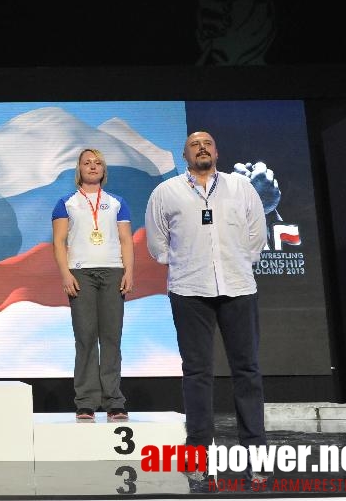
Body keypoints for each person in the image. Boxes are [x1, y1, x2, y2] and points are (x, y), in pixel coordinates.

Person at [145, 131, 268, 481]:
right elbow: (157, 244)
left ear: (217, 151)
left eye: (208, 143)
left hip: (238, 287)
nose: (202, 148)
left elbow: (256, 235)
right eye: (195, 144)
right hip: (189, 290)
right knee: (197, 374)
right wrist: (184, 264)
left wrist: (241, 262)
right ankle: (198, 458)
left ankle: (256, 456)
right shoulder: (166, 192)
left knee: (247, 372)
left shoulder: (241, 187)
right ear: (184, 154)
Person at [52, 148, 133, 423]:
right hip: (81, 274)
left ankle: (114, 401)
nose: (93, 166)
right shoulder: (66, 203)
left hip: (113, 272)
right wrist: (65, 274)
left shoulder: (118, 202)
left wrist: (129, 271)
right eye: (87, 163)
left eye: (98, 162)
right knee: (86, 338)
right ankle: (86, 402)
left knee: (111, 338)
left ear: (104, 170)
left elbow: (125, 241)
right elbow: (59, 242)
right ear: (79, 169)